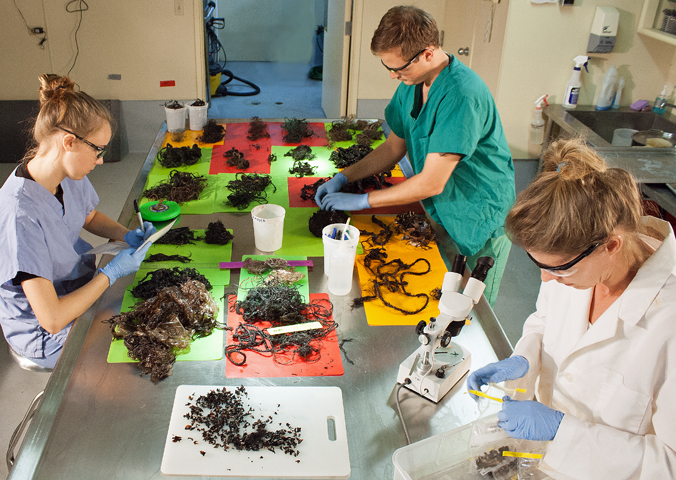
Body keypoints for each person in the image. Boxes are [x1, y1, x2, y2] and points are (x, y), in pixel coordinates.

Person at [467, 137, 676, 479]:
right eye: (541, 266)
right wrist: (523, 360)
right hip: (537, 462)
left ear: (611, 245)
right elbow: (544, 322)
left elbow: (669, 464)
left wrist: (562, 432)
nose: (547, 280)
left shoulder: (669, 321)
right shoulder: (578, 267)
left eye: (559, 268)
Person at [315, 6, 515, 306]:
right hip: (444, 206)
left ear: (429, 52)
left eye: (400, 68)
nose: (394, 76)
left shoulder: (461, 94)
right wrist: (344, 177)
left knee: (464, 310)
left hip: (477, 211)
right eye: (389, 68)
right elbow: (394, 146)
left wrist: (361, 201)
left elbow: (432, 182)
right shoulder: (413, 84)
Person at [0, 74, 155, 369]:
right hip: (46, 333)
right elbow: (54, 319)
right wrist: (110, 273)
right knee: (137, 356)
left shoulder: (66, 175)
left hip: (77, 290)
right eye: (97, 150)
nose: (99, 161)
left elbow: (89, 215)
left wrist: (128, 234)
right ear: (69, 142)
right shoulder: (19, 216)